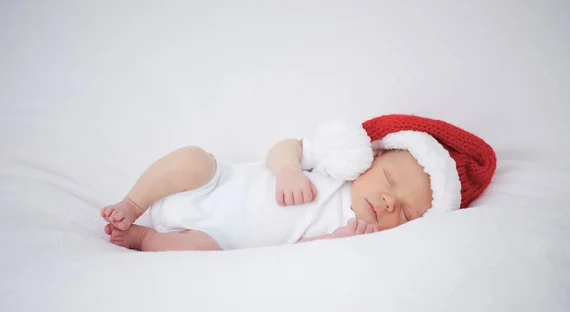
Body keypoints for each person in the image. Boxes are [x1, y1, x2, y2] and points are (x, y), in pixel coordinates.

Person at [100, 114, 496, 251]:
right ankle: (133, 203)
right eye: (389, 180)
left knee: (196, 249)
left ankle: (142, 239)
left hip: (219, 237)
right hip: (217, 183)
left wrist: (338, 241)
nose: (389, 202)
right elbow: (284, 147)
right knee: (193, 159)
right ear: (372, 158)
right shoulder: (337, 164)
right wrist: (288, 170)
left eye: (406, 212)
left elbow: (303, 251)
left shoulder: (358, 233)